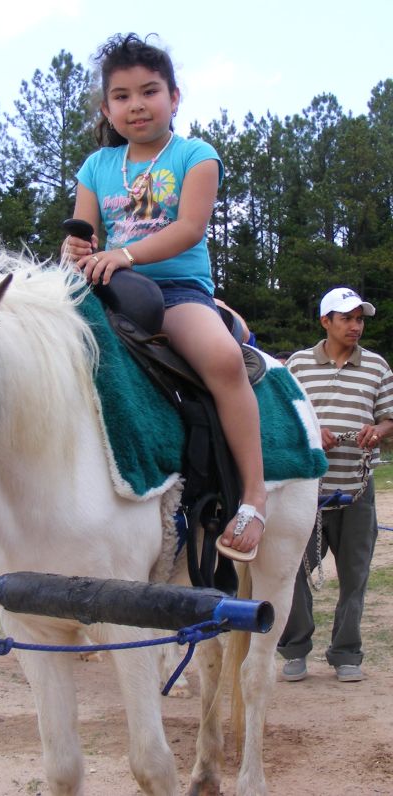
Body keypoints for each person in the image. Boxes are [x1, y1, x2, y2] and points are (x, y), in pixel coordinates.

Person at [62, 33, 266, 561]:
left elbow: (191, 228)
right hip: (108, 287)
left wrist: (126, 255)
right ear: (107, 108)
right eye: (122, 96)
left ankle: (254, 495)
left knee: (222, 360)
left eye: (149, 91)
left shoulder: (196, 155)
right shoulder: (96, 166)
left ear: (175, 97)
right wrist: (77, 249)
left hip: (176, 290)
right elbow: (86, 236)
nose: (136, 105)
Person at [278, 287, 393, 682]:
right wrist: (313, 432)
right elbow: (283, 419)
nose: (356, 326)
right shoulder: (296, 365)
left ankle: (347, 654)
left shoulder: (378, 367)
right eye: (347, 318)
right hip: (306, 491)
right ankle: (294, 650)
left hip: (357, 492)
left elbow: (389, 418)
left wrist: (377, 430)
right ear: (325, 321)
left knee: (355, 576)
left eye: (360, 319)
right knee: (294, 572)